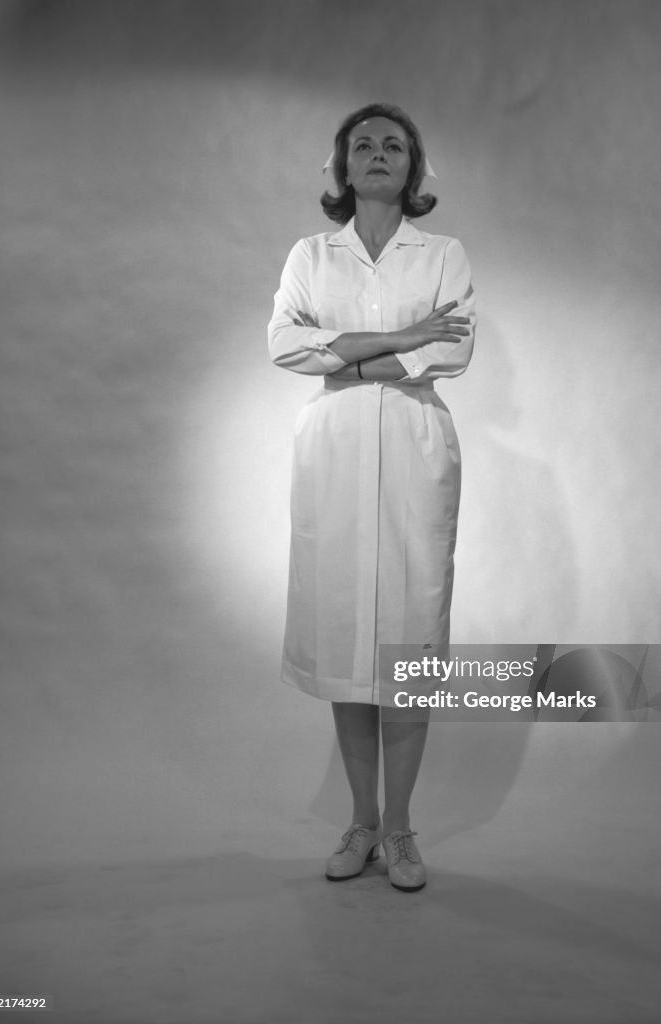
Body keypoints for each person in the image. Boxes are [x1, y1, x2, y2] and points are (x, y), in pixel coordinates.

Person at [268, 103, 476, 892]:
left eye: (394, 145)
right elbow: (284, 344)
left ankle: (401, 830)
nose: (379, 154)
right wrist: (400, 339)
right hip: (335, 451)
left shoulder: (443, 253)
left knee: (409, 638)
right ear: (343, 167)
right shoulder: (311, 255)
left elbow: (453, 345)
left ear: (413, 168)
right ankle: (360, 822)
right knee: (349, 637)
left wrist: (346, 358)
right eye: (364, 145)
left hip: (416, 450)